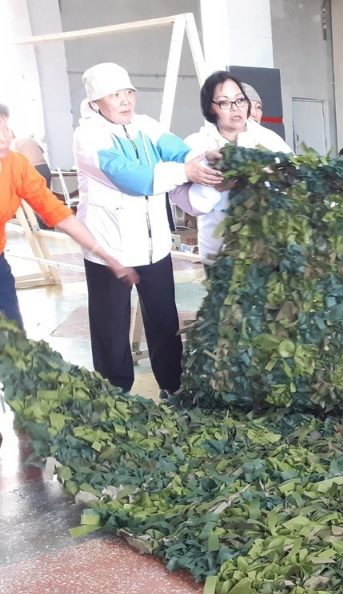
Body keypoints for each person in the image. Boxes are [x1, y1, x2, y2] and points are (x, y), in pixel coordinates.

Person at [73, 62, 222, 395]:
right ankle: (115, 396)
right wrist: (186, 171)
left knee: (164, 321)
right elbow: (133, 178)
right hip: (110, 251)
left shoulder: (145, 126)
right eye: (115, 95)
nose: (126, 100)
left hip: (154, 248)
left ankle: (173, 387)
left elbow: (178, 151)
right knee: (111, 327)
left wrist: (206, 157)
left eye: (129, 92)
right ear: (96, 102)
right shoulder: (89, 137)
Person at [1, 104, 138, 332]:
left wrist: (106, 255)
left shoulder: (16, 165)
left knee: (12, 336)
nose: (3, 137)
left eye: (5, 129)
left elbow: (58, 213)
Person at [178, 71, 293, 263]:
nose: (235, 108)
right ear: (211, 108)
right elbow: (190, 204)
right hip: (218, 252)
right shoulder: (197, 145)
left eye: (240, 100)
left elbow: (293, 180)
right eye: (225, 102)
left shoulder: (269, 140)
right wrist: (217, 187)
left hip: (265, 250)